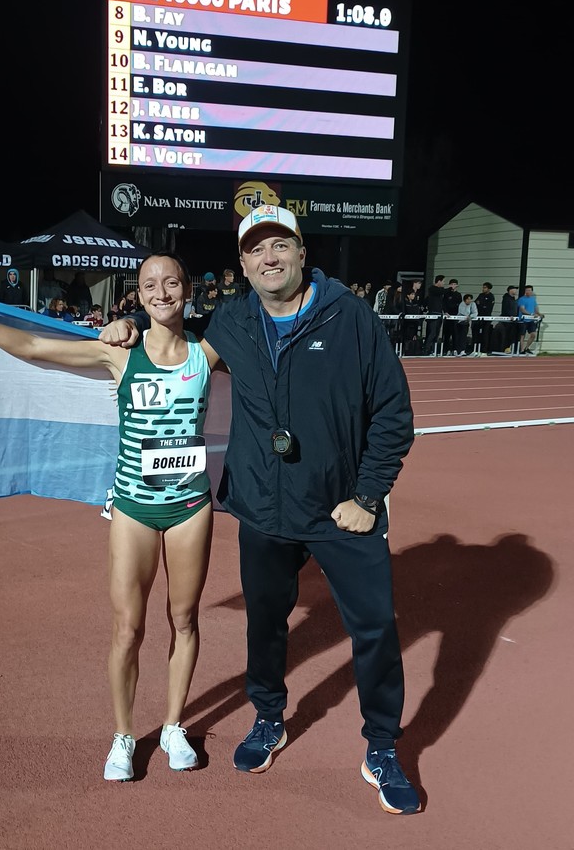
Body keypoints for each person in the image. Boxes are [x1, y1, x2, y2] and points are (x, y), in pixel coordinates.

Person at [100, 206, 420, 815]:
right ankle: (268, 717)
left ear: (302, 253)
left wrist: (368, 495)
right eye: (255, 250)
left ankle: (381, 746)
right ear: (243, 264)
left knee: (375, 630)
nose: (268, 258)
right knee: (266, 627)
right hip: (264, 509)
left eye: (279, 245)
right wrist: (128, 328)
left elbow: (394, 414)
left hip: (341, 510)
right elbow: (175, 349)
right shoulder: (232, 321)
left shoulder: (350, 317)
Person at [0, 251, 220, 783]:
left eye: (171, 282)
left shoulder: (208, 352)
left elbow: (270, 320)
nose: (161, 292)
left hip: (190, 507)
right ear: (139, 291)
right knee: (128, 628)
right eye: (150, 284)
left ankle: (174, 725)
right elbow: (37, 348)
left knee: (185, 619)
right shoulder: (119, 354)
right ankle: (124, 736)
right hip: (132, 506)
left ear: (187, 289)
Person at [491, 285, 519, 353]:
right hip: (506, 321)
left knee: (511, 335)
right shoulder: (506, 298)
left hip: (512, 321)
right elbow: (505, 308)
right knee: (505, 335)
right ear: (510, 290)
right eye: (514, 289)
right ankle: (502, 349)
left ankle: (508, 348)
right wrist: (510, 315)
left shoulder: (513, 298)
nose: (516, 291)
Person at [423, 275, 446, 356]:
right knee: (432, 333)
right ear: (439, 281)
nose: (444, 283)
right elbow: (440, 291)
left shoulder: (440, 293)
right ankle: (426, 350)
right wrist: (450, 288)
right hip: (433, 313)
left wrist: (445, 311)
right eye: (443, 281)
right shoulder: (432, 289)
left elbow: (442, 302)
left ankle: (433, 350)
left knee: (436, 333)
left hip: (439, 313)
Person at [518, 285, 544, 355]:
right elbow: (522, 309)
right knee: (522, 335)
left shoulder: (533, 299)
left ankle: (527, 348)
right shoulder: (522, 299)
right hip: (523, 320)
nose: (528, 292)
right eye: (527, 290)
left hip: (531, 320)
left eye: (529, 290)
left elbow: (536, 309)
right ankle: (522, 349)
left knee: (533, 334)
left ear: (532, 291)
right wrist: (531, 314)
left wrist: (539, 314)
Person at [441, 278, 462, 356]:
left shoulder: (458, 295)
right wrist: (446, 312)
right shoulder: (446, 294)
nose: (453, 286)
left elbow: (460, 305)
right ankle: (446, 350)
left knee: (455, 333)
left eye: (454, 284)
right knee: (446, 334)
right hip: (447, 316)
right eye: (452, 284)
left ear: (457, 285)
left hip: (455, 316)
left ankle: (455, 349)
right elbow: (444, 303)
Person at [473, 282, 495, 354]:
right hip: (479, 317)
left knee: (485, 333)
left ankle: (484, 349)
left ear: (489, 289)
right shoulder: (481, 295)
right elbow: (476, 303)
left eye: (485, 288)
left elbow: (488, 307)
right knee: (476, 333)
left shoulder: (491, 296)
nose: (483, 289)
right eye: (483, 287)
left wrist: (481, 305)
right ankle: (475, 348)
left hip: (486, 318)